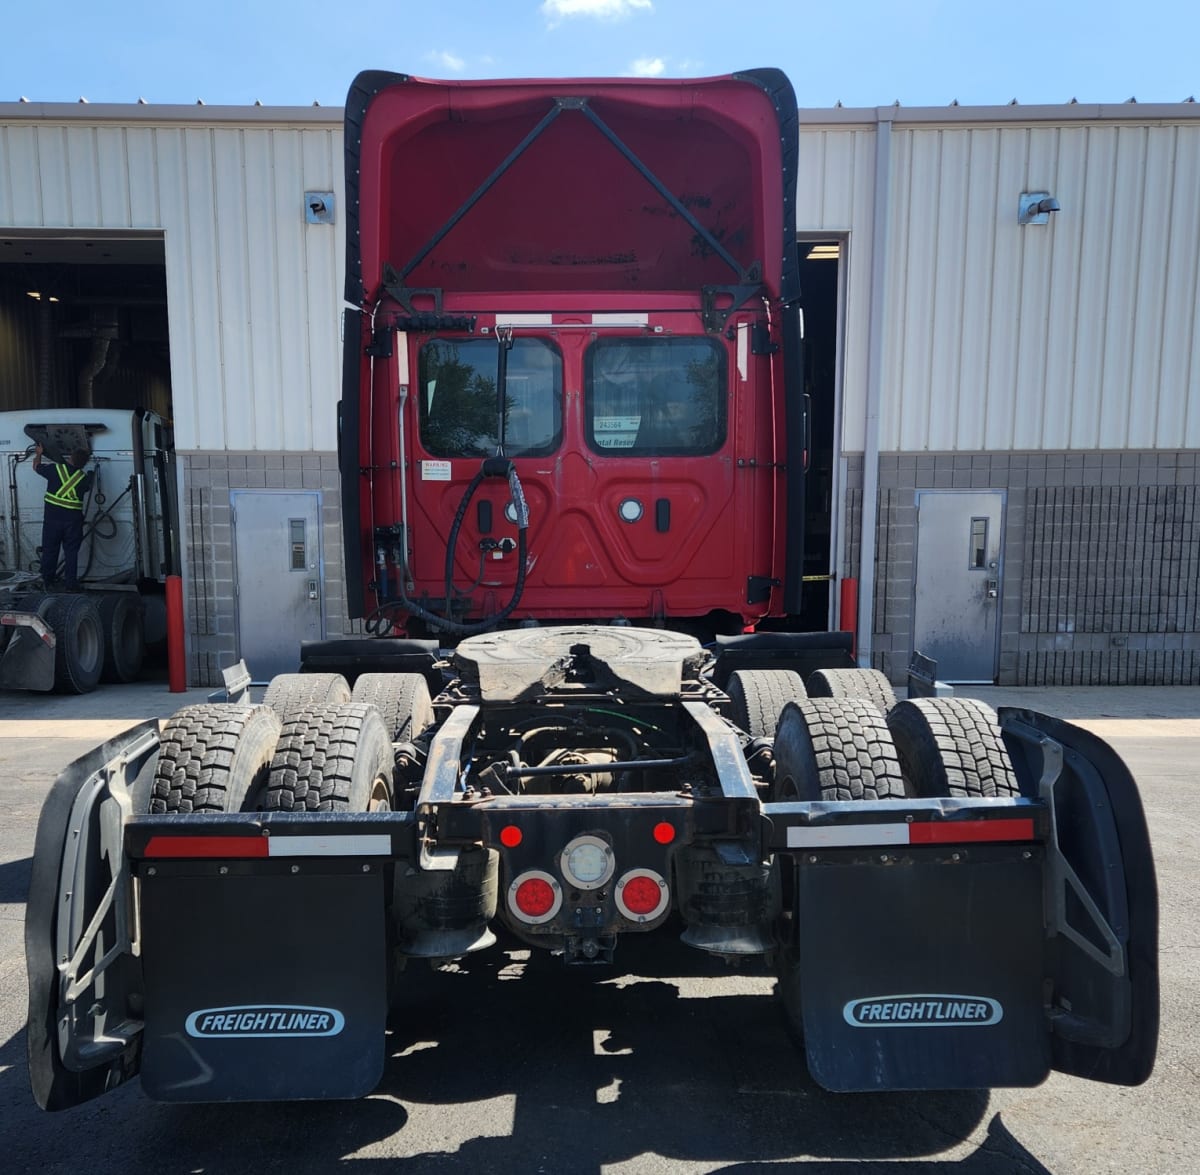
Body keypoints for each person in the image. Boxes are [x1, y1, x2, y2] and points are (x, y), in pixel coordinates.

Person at [32, 442, 94, 591]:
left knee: (50, 551)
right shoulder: (84, 478)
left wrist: (39, 453)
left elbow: (36, 467)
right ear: (84, 464)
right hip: (73, 522)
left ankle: (48, 582)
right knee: (71, 553)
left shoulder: (56, 469)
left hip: (52, 521)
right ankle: (70, 585)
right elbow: (86, 488)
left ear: (70, 458)